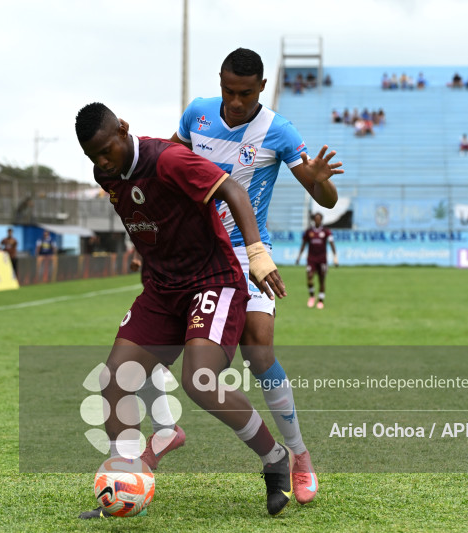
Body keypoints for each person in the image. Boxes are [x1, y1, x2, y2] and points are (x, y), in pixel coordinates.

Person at [74, 102, 292, 518]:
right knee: (115, 378)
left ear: (123, 128)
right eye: (93, 157)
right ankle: (125, 479)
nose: (102, 162)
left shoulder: (169, 159)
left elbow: (233, 190)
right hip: (162, 289)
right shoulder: (106, 174)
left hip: (212, 279)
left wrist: (257, 253)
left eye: (106, 150)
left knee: (200, 379)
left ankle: (274, 457)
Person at [160, 48, 342, 505]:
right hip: (198, 257)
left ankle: (299, 456)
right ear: (219, 81)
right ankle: (163, 435)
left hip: (247, 253)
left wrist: (319, 180)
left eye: (245, 93)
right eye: (228, 91)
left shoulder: (278, 131)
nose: (236, 102)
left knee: (259, 347)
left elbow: (327, 202)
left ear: (262, 87)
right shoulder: (197, 114)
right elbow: (170, 162)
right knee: (184, 362)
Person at [295, 213, 338, 309]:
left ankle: (320, 301)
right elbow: (303, 244)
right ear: (314, 220)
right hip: (311, 259)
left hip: (322, 259)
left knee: (321, 280)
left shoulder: (326, 231)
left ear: (321, 220)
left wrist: (335, 257)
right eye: (316, 219)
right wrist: (299, 256)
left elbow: (332, 244)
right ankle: (311, 296)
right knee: (309, 277)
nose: (317, 220)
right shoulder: (309, 231)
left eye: (319, 219)